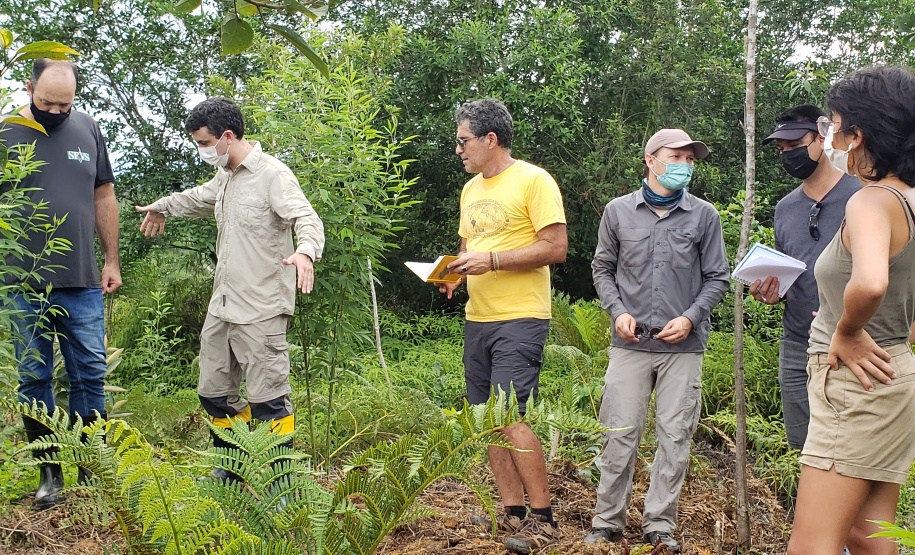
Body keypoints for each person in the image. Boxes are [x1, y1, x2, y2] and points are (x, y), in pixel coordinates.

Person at [136, 98, 324, 479]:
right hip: (223, 305)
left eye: (204, 143)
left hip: (262, 306)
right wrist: (162, 206)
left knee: (269, 400)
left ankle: (279, 481)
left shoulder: (273, 175)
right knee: (214, 393)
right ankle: (231, 468)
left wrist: (305, 253)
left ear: (227, 135)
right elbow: (199, 197)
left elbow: (306, 218)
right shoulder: (225, 175)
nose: (201, 150)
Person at [787, 66, 915, 555]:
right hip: (894, 375)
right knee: (872, 536)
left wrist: (847, 331)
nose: (830, 136)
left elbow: (871, 281)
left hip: (853, 385)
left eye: (833, 125)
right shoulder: (910, 199)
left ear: (857, 134)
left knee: (812, 544)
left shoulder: (871, 202)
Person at [586, 129, 729, 552]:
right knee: (618, 434)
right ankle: (606, 521)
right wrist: (618, 312)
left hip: (682, 348)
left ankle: (659, 526)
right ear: (650, 159)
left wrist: (689, 318)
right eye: (676, 155)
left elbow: (718, 276)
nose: (685, 163)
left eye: (690, 157)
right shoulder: (617, 212)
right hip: (630, 345)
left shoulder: (705, 216)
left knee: (675, 435)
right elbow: (602, 269)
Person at [437, 98, 567, 554]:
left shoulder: (534, 180)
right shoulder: (471, 190)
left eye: (463, 140)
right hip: (479, 317)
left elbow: (555, 247)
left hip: (522, 316)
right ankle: (512, 511)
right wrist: (453, 273)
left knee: (511, 417)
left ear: (490, 140)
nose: (458, 149)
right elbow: (468, 249)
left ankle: (543, 517)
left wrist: (492, 260)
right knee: (486, 421)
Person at [2, 59, 121, 509]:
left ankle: (92, 471)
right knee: (34, 377)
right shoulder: (5, 133)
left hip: (82, 279)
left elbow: (103, 194)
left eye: (65, 104)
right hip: (21, 282)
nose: (56, 111)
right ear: (28, 87)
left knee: (89, 373)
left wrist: (111, 259)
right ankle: (49, 474)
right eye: (47, 102)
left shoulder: (89, 129)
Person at [752, 105, 859, 450]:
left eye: (795, 143)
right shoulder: (785, 208)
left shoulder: (861, 196)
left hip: (851, 342)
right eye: (782, 149)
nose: (789, 154)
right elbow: (792, 274)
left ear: (822, 136)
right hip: (798, 344)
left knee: (849, 451)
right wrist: (772, 292)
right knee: (804, 448)